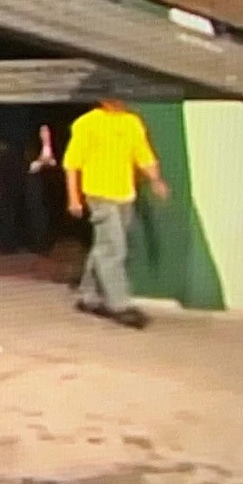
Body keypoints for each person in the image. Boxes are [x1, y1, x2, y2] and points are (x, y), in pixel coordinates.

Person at [62, 98, 167, 329]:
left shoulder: (132, 122)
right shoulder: (87, 123)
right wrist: (73, 197)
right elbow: (72, 164)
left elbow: (143, 155)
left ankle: (88, 295)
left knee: (105, 246)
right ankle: (120, 305)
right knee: (114, 249)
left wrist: (156, 180)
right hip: (99, 195)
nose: (119, 102)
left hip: (125, 195)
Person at [0, 107, 56, 255]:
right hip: (3, 154)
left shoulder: (32, 102)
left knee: (34, 200)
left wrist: (47, 149)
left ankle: (41, 243)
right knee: (2, 200)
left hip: (28, 153)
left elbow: (43, 125)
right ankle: (7, 242)